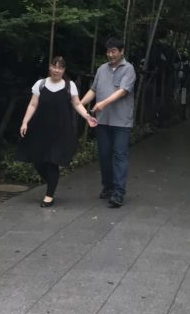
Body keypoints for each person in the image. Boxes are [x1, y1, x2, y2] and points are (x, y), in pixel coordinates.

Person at [17, 56, 96, 207]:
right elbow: (33, 104)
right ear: (50, 67)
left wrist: (87, 116)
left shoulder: (69, 85)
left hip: (60, 130)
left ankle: (49, 195)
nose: (56, 70)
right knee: (38, 161)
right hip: (41, 129)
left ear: (64, 70)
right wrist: (25, 122)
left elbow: (77, 104)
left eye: (60, 68)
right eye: (54, 66)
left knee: (52, 161)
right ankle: (52, 182)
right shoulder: (40, 84)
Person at [81, 37, 136, 208]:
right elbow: (93, 90)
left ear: (122, 51)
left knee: (119, 155)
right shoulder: (101, 69)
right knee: (104, 156)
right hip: (102, 120)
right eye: (108, 51)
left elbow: (122, 91)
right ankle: (108, 186)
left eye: (114, 51)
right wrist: (79, 104)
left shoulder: (129, 69)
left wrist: (102, 103)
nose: (110, 55)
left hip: (121, 122)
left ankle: (118, 193)